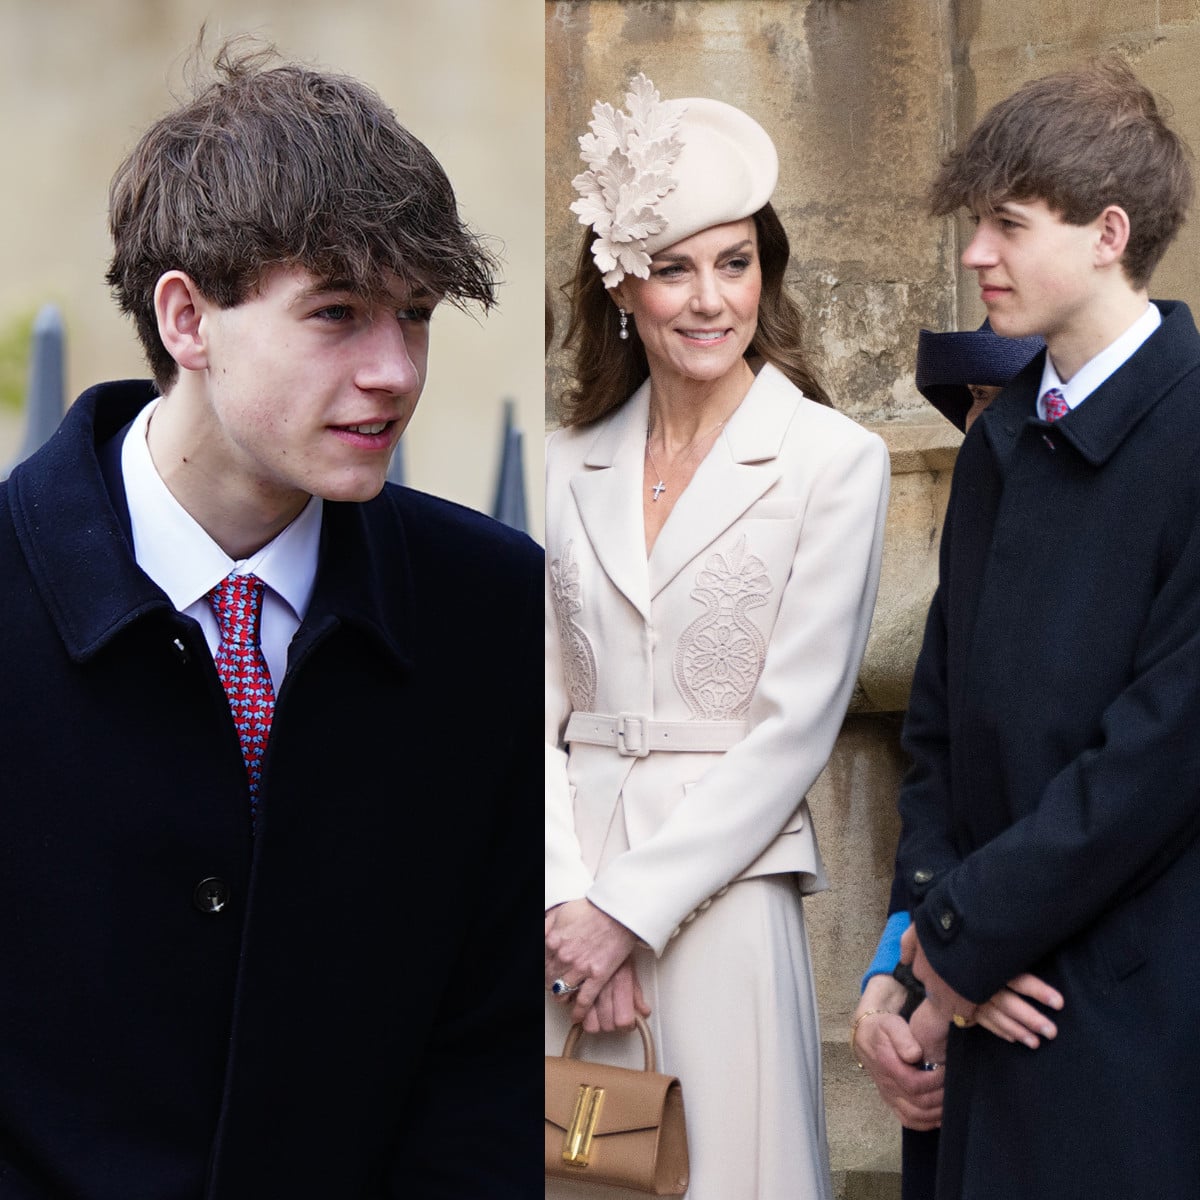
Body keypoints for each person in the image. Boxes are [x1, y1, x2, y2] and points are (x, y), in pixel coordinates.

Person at [0, 39, 541, 1198]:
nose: (396, 369)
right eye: (338, 312)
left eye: (417, 314)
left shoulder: (490, 606)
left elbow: (486, 1056)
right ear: (187, 319)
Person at [544, 74, 890, 1199]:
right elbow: (525, 710)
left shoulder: (834, 461)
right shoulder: (560, 464)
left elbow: (794, 730)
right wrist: (565, 907)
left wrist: (627, 915)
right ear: (621, 286)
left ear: (764, 274)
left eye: (734, 263)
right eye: (674, 265)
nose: (708, 299)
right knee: (579, 1174)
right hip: (564, 917)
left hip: (723, 901)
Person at [894, 58, 1200, 1196]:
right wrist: (924, 945)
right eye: (979, 223)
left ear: (1108, 232)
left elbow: (1155, 762)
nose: (977, 254)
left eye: (1008, 225)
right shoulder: (1002, 439)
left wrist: (971, 938)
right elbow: (936, 731)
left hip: (1116, 1015)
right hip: (978, 1006)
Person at [849, 320, 1046, 1200]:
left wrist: (976, 957)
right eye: (973, 404)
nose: (988, 429)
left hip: (1071, 1005)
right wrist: (895, 977)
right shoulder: (969, 548)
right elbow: (935, 766)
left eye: (1010, 403)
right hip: (954, 991)